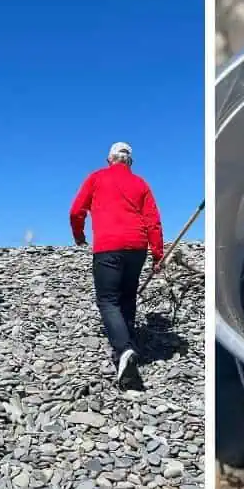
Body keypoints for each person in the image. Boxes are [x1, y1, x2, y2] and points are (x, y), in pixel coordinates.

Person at [69, 142, 164, 390]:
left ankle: (124, 349)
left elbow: (76, 210)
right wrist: (157, 254)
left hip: (108, 246)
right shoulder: (140, 183)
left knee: (108, 300)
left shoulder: (96, 178)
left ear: (109, 159)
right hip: (137, 246)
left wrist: (79, 236)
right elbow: (153, 221)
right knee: (127, 296)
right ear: (129, 162)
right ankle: (129, 340)